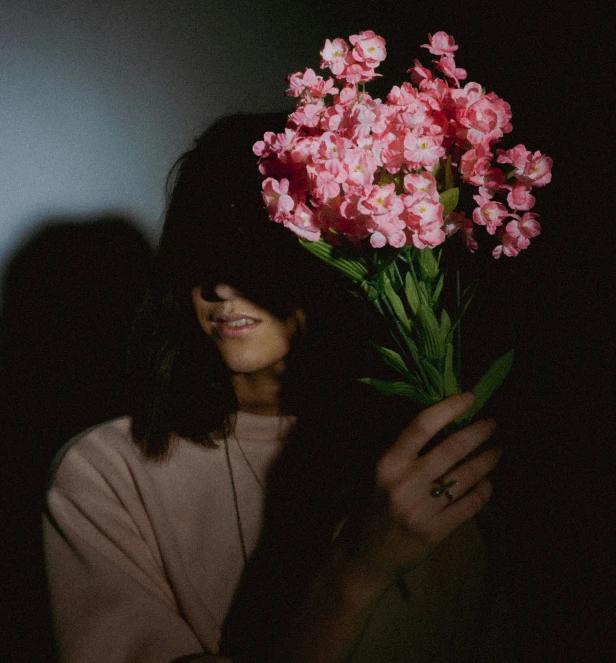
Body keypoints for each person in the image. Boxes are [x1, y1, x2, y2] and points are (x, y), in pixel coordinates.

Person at [43, 114, 506, 663]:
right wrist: (356, 574)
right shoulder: (106, 473)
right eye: (199, 250)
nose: (217, 283)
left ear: (340, 253)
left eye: (251, 251)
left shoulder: (418, 452)